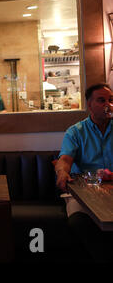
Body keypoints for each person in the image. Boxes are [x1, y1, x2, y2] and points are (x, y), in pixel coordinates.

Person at [55, 83, 113, 262]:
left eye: (111, 100)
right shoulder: (76, 132)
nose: (108, 105)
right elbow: (64, 160)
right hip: (84, 191)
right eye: (101, 100)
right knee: (78, 222)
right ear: (89, 105)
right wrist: (62, 173)